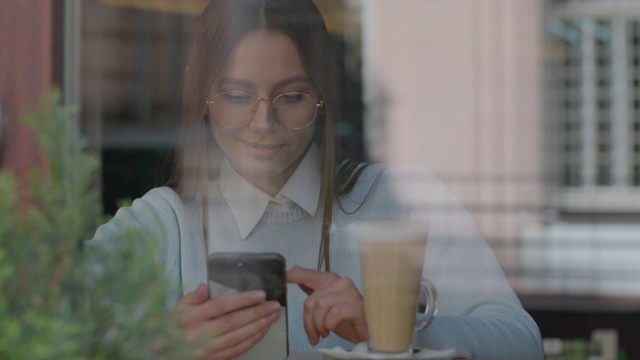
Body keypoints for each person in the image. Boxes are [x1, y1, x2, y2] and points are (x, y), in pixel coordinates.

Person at [91, 0, 543, 359]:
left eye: (291, 96)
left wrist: (395, 328)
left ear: (322, 92)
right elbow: (42, 334)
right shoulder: (161, 226)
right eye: (236, 95)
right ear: (201, 93)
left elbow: (522, 343)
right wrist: (152, 347)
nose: (263, 122)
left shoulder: (403, 201)